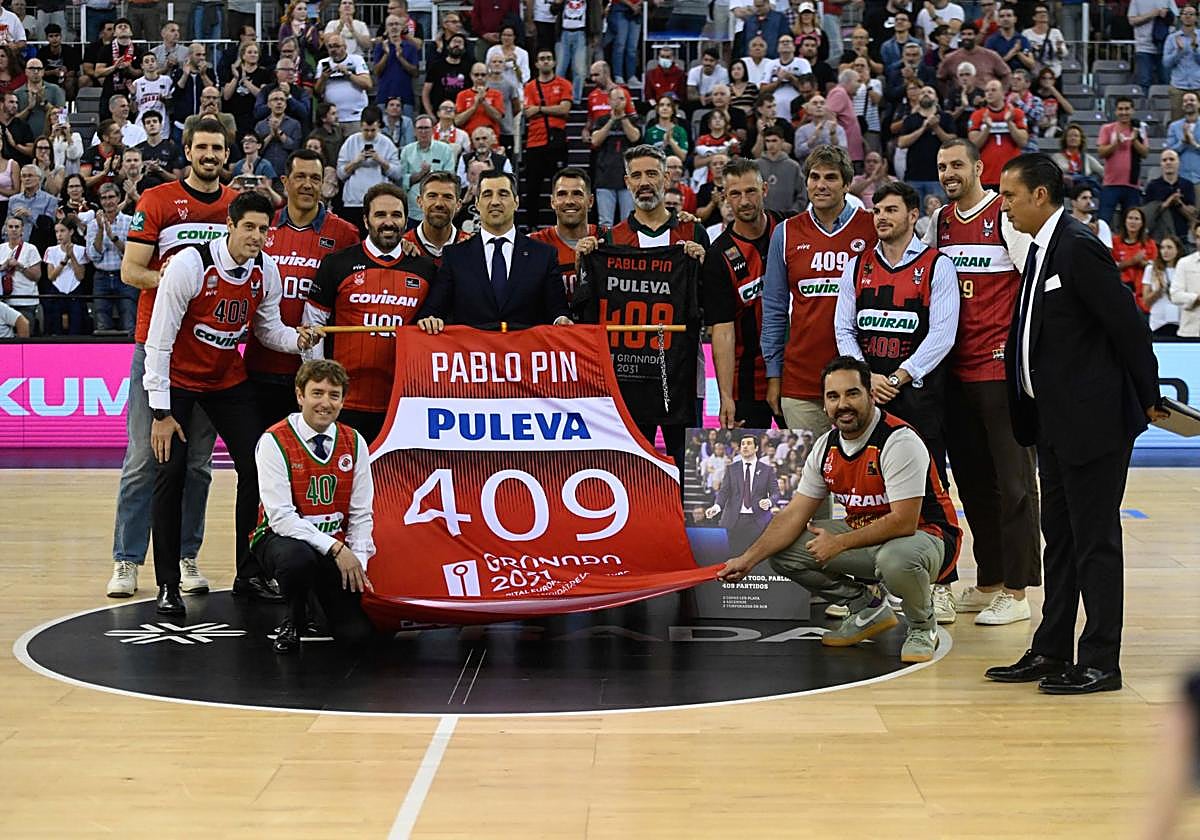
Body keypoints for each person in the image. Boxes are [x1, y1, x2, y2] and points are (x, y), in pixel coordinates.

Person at [987, 153, 1162, 695]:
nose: (1004, 205)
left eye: (1010, 195)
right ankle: (1051, 647)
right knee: (1060, 542)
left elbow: (1128, 325)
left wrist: (1149, 396)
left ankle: (1101, 660)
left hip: (1094, 427)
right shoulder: (1042, 249)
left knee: (1095, 544)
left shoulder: (1080, 246)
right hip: (1055, 426)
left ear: (1040, 195)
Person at [144, 189, 321, 616]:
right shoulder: (191, 264)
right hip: (180, 381)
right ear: (230, 225)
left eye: (264, 229)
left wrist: (297, 340)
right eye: (249, 227)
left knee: (258, 467)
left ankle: (249, 572)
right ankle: (167, 584)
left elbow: (268, 331)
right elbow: (159, 339)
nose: (257, 236)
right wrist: (161, 413)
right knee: (171, 473)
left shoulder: (266, 270)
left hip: (226, 379)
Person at [717, 355, 961, 664]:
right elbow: (793, 514)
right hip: (868, 536)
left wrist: (839, 543)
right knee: (784, 552)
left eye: (852, 393)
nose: (842, 404)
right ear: (824, 405)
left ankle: (922, 626)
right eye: (833, 396)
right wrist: (747, 560)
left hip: (927, 537)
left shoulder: (898, 440)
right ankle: (866, 609)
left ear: (871, 395)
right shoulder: (824, 447)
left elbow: (904, 522)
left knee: (895, 559)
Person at [105, 118, 239, 601]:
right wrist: (183, 288)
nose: (209, 154)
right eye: (201, 146)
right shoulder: (157, 200)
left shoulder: (234, 206)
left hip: (212, 354)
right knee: (144, 459)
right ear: (187, 150)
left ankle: (186, 556)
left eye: (217, 148)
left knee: (199, 465)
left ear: (227, 154)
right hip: (157, 348)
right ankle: (127, 559)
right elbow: (130, 271)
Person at [929, 138, 1041, 627]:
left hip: (999, 371)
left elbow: (1032, 283)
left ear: (978, 167)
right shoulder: (938, 223)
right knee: (973, 485)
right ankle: (991, 580)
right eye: (941, 166)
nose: (949, 172)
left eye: (957, 164)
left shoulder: (1003, 215)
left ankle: (1018, 593)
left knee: (1014, 484)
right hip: (953, 371)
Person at [573, 144, 710, 472]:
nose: (644, 181)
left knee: (686, 465)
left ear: (667, 178)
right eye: (637, 175)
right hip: (630, 375)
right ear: (626, 182)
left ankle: (684, 524)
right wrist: (584, 261)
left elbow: (710, 303)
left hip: (684, 372)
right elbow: (585, 305)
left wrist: (701, 265)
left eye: (652, 174)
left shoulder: (693, 232)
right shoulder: (610, 239)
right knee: (634, 466)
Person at [834, 180, 960, 490]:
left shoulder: (937, 265)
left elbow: (943, 335)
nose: (881, 217)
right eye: (877, 211)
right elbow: (843, 329)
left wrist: (896, 378)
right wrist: (866, 377)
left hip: (920, 397)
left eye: (891, 210)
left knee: (927, 488)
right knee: (871, 487)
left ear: (914, 215)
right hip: (870, 395)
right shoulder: (855, 266)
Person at [249, 358, 376, 653]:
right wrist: (336, 549)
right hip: (281, 540)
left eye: (334, 395)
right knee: (297, 560)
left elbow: (361, 514)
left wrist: (358, 562)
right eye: (317, 393)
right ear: (300, 395)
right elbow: (281, 518)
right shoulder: (273, 441)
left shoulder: (354, 442)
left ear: (343, 401)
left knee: (357, 636)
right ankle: (292, 616)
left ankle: (315, 602)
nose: (325, 403)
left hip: (335, 544)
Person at [305, 182, 438, 443]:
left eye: (396, 215)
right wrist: (319, 387)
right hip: (342, 401)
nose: (389, 222)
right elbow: (312, 327)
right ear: (366, 220)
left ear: (406, 220)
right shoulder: (337, 264)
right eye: (380, 215)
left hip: (401, 404)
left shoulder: (427, 269)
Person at [249, 149, 360, 426]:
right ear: (284, 182)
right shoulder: (264, 226)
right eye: (300, 177)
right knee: (260, 459)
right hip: (262, 365)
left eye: (315, 178)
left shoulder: (345, 234)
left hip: (317, 373)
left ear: (323, 184)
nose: (308, 185)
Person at [419, 170, 571, 333]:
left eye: (503, 194)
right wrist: (431, 319)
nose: (495, 201)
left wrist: (561, 319)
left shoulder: (544, 255)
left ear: (516, 202)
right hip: (472, 355)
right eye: (487, 194)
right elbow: (433, 311)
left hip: (525, 355)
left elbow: (558, 310)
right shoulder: (455, 256)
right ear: (476, 204)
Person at [704, 156, 788, 429]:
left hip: (797, 373)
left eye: (751, 191)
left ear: (764, 190)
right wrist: (725, 396)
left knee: (808, 466)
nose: (744, 201)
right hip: (747, 380)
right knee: (745, 468)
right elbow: (723, 329)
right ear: (725, 197)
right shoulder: (719, 255)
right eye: (735, 194)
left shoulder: (790, 231)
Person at [528, 166, 601, 302]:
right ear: (552, 202)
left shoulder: (608, 239)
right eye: (562, 194)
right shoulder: (533, 244)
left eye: (577, 194)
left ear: (590, 201)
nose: (569, 201)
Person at [705, 433, 781, 555]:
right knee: (735, 558)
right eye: (743, 444)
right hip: (735, 520)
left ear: (756, 448)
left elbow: (776, 492)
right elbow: (724, 491)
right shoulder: (731, 469)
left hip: (758, 521)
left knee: (756, 559)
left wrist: (769, 501)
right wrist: (717, 506)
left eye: (749, 444)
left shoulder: (767, 469)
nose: (745, 447)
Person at [523, 48, 573, 229]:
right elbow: (528, 112)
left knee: (559, 187)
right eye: (542, 59)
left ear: (554, 62)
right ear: (536, 64)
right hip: (534, 142)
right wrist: (552, 108)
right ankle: (531, 226)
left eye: (548, 58)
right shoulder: (529, 87)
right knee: (532, 188)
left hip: (557, 141)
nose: (545, 61)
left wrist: (540, 109)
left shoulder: (564, 84)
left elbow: (565, 109)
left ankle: (561, 224)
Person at [335, 105, 403, 233]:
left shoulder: (387, 143)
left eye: (373, 130)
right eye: (366, 130)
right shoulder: (351, 141)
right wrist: (356, 161)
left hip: (379, 202)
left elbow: (398, 174)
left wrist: (380, 160)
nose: (370, 133)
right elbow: (340, 173)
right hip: (353, 202)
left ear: (379, 126)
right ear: (361, 125)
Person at [590, 87, 640, 227]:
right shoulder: (602, 120)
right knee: (605, 222)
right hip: (604, 176)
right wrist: (612, 120)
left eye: (622, 99)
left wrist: (623, 118)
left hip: (627, 177)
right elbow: (595, 140)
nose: (618, 102)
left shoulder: (633, 120)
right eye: (615, 99)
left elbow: (635, 137)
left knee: (627, 221)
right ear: (608, 101)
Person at [898, 85, 956, 205]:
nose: (925, 94)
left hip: (938, 177)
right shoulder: (910, 119)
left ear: (936, 98)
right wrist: (923, 128)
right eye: (923, 92)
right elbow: (901, 143)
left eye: (930, 92)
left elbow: (953, 142)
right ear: (918, 98)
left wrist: (936, 128)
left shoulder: (946, 118)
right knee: (915, 215)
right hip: (914, 177)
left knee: (939, 215)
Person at [1097, 97, 1150, 229]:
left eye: (1127, 109)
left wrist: (1134, 140)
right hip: (1111, 184)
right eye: (1120, 109)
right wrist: (1116, 144)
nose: (1124, 112)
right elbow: (1101, 152)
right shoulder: (1107, 129)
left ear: (1132, 110)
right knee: (1103, 223)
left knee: (1131, 226)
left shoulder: (1138, 128)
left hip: (1132, 185)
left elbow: (1145, 153)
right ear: (1115, 111)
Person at [969, 78, 1029, 189]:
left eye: (993, 90)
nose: (989, 93)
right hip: (986, 177)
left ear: (1003, 93)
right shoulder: (977, 115)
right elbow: (974, 145)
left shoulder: (1016, 113)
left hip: (1012, 176)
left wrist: (1009, 123)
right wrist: (987, 128)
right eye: (987, 91)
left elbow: (1023, 142)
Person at [402, 171, 469, 266]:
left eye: (447, 197)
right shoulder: (403, 247)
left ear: (458, 205)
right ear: (420, 201)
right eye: (432, 196)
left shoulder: (469, 246)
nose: (439, 204)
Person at [315, 34, 373, 136]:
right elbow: (318, 91)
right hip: (332, 119)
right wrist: (323, 78)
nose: (333, 49)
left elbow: (368, 84)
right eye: (330, 46)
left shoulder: (356, 60)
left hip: (355, 117)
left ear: (345, 47)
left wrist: (349, 74)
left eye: (337, 46)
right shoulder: (323, 63)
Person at [43, 216, 87, 335]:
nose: (59, 235)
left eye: (62, 231)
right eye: (57, 232)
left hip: (75, 291)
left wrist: (72, 256)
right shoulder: (51, 250)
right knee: (56, 330)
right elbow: (51, 276)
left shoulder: (81, 250)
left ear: (71, 232)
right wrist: (64, 260)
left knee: (76, 330)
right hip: (56, 292)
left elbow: (80, 276)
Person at [1144, 148, 1198, 239]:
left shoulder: (1187, 185)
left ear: (1178, 163)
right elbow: (1147, 214)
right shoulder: (1152, 186)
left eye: (1172, 159)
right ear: (1161, 164)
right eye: (1164, 160)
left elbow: (1192, 215)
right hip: (1159, 237)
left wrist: (1179, 204)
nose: (1168, 162)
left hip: (1182, 235)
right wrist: (1167, 203)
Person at [1112, 206, 1159, 312]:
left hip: (1143, 292)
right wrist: (1132, 261)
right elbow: (1110, 266)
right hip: (1121, 290)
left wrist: (1144, 263)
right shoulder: (1115, 242)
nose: (1133, 222)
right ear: (1124, 221)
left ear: (1142, 223)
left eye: (1137, 219)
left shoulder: (1149, 243)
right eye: (1130, 218)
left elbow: (1157, 268)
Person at [0, 213, 40, 332]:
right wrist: (3, 267)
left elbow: (37, 276)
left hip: (26, 300)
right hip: (4, 301)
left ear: (22, 229)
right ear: (6, 229)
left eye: (17, 227)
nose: (13, 230)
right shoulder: (0, 248)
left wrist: (20, 266)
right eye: (10, 227)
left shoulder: (31, 249)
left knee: (26, 338)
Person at [1144, 234, 1183, 337]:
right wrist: (1158, 290)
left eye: (1169, 247)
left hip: (1181, 323)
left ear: (1177, 250)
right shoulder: (1151, 269)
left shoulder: (1183, 269)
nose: (1165, 251)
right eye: (1162, 248)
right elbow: (1146, 302)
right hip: (1158, 323)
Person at [757, 127, 803, 214]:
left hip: (787, 217)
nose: (771, 144)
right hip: (761, 217)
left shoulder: (793, 166)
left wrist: (794, 211)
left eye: (774, 141)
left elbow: (802, 194)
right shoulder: (756, 165)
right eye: (768, 141)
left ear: (782, 141)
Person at [1172, 217, 1200, 337]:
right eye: (1198, 237)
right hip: (1190, 331)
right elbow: (1175, 295)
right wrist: (1197, 298)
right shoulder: (1184, 263)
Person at [1167, 91, 1200, 183]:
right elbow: (1169, 152)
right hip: (1181, 179)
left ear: (1199, 104)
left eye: (1192, 100)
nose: (1188, 103)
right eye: (1185, 101)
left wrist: (1194, 144)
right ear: (1182, 106)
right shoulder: (1174, 126)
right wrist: (1183, 142)